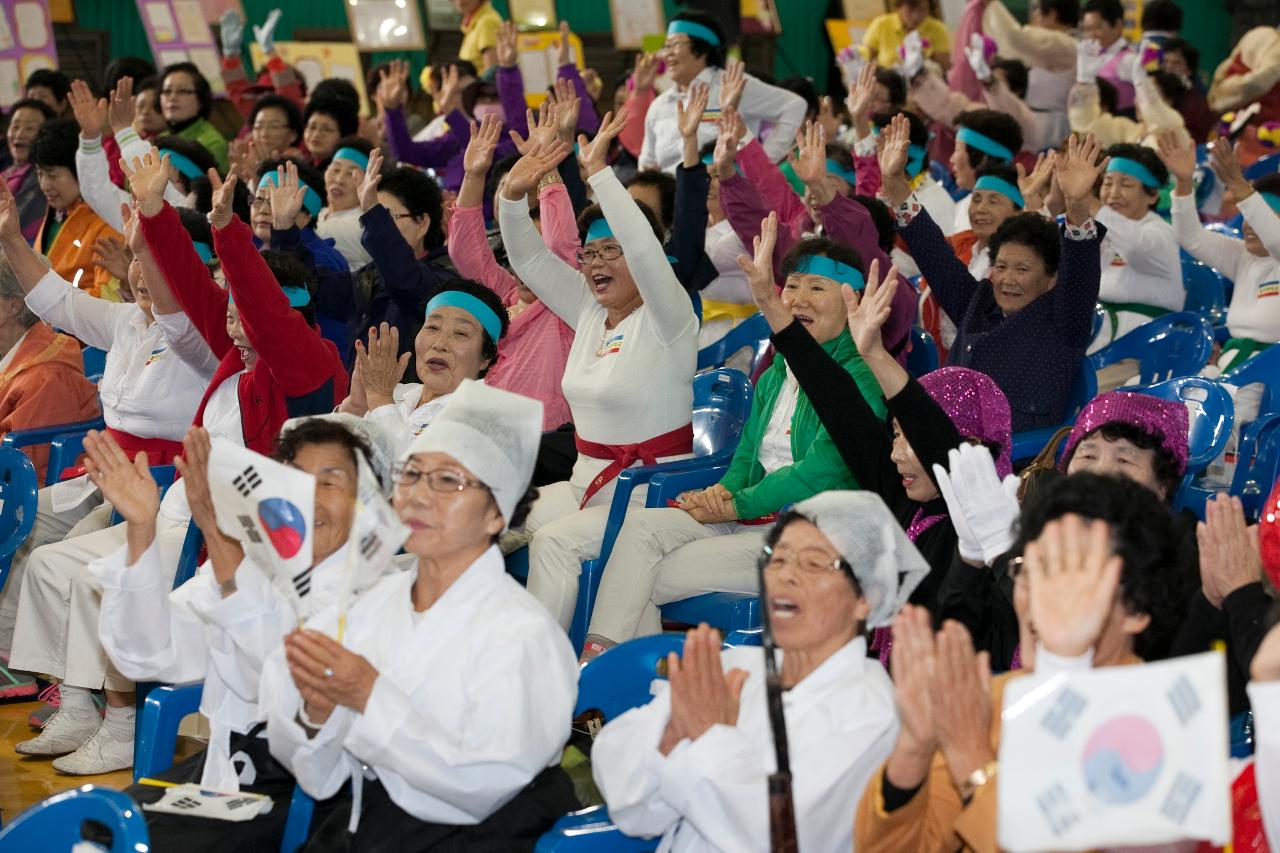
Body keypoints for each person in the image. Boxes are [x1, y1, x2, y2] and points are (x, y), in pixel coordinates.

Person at [262, 380, 581, 848]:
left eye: (449, 481)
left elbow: (483, 784)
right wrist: (315, 712)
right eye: (410, 474)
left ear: (498, 515)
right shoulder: (367, 605)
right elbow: (317, 776)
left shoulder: (522, 634)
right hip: (366, 823)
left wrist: (367, 695)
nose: (418, 496)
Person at [574, 230, 887, 658]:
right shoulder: (778, 369)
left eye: (817, 288)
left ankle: (615, 677)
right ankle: (615, 674)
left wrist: (738, 504)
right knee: (640, 531)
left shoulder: (862, 376)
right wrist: (722, 492)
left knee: (645, 574)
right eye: (792, 285)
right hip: (752, 512)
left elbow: (824, 470)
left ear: (852, 303)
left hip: (811, 534)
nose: (798, 299)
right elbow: (746, 454)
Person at [855, 473, 1192, 852]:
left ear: (1137, 609)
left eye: (1069, 577)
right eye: (1030, 571)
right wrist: (913, 750)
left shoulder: (1162, 728)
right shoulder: (995, 699)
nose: (1038, 599)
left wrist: (973, 762)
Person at [88, 419, 379, 850]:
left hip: (322, 797)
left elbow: (286, 676)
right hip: (229, 776)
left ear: (365, 501)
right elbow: (147, 655)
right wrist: (141, 531)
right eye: (297, 479)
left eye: (330, 482)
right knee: (96, 831)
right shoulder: (257, 565)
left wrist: (219, 542)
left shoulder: (379, 590)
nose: (311, 497)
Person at [593, 490, 925, 851]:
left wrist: (705, 736)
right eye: (778, 559)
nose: (786, 576)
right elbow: (626, 794)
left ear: (866, 598)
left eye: (813, 564)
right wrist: (672, 736)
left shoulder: (873, 712)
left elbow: (781, 834)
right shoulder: (736, 665)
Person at [0, 175, 216, 696]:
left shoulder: (204, 337)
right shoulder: (124, 321)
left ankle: (83, 692)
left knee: (64, 560)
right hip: (100, 476)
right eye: (138, 258)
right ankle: (14, 661)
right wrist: (9, 238)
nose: (142, 273)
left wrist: (152, 242)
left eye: (160, 259)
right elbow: (55, 301)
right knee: (17, 518)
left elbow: (176, 316)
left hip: (162, 492)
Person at [747, 230, 1012, 637]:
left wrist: (874, 355)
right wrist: (771, 305)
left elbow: (932, 433)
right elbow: (838, 403)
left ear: (971, 451)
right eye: (896, 437)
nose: (897, 455)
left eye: (912, 440)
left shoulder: (983, 533)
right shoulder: (899, 496)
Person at [497, 113, 699, 631]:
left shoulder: (669, 318)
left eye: (613, 250)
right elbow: (528, 257)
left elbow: (645, 248)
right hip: (581, 485)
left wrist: (600, 175)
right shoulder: (588, 309)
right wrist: (514, 197)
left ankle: (543, 680)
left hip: (647, 499)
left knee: (554, 545)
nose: (596, 262)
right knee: (486, 516)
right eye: (589, 253)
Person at [880, 118, 1106, 431]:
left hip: (1008, 458)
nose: (1007, 279)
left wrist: (1077, 205)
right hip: (940, 436)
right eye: (1000, 266)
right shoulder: (980, 303)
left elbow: (1080, 270)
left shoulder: (1064, 320)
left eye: (1022, 269)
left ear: (1052, 278)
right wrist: (895, 185)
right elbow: (934, 255)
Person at [449, 115, 575, 429]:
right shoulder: (504, 296)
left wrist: (546, 168)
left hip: (546, 437)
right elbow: (465, 253)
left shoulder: (566, 307)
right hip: (488, 426)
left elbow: (561, 241)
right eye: (524, 254)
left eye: (539, 255)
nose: (529, 266)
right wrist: (474, 175)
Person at [342, 276, 510, 460]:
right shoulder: (398, 393)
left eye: (461, 333)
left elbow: (416, 475)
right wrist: (355, 408)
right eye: (432, 327)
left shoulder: (485, 418)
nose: (439, 344)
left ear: (486, 358)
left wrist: (380, 399)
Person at [1161, 133, 1280, 370]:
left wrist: (1237, 184)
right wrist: (1184, 183)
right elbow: (1190, 237)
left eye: (1258, 215)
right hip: (1232, 370)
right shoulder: (1244, 257)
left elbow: (1275, 238)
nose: (1248, 224)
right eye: (1244, 216)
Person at [639, 14, 806, 173]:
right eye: (666, 46)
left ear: (702, 49)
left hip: (722, 195)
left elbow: (794, 106)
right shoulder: (660, 104)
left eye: (674, 45)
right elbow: (647, 163)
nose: (666, 54)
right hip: (672, 196)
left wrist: (761, 164)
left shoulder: (732, 83)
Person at [1089, 142, 1183, 348]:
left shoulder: (1161, 233)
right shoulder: (1104, 230)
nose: (1113, 193)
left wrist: (1082, 198)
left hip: (1146, 346)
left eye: (1126, 184)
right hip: (1098, 338)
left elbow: (1134, 247)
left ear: (1152, 195)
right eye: (1107, 183)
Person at [31, 118, 123, 299]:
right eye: (40, 173)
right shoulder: (57, 211)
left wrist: (54, 311)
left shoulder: (108, 222)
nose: (45, 185)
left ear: (80, 171)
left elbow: (108, 299)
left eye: (53, 175)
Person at [980, 0, 1079, 147]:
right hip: (1033, 120)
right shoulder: (1057, 45)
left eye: (1037, 10)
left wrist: (992, 5)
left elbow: (1016, 39)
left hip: (1053, 126)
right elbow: (1009, 46)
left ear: (1052, 14)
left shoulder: (1067, 45)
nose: (1034, 16)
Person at [158, 62, 229, 173]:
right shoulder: (161, 138)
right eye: (167, 91)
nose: (172, 97)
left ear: (201, 99)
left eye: (182, 91)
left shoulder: (212, 143)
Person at [317, 137, 374, 271]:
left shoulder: (362, 224)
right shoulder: (320, 214)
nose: (339, 180)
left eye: (351, 174)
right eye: (335, 170)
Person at [3, 98, 54, 244]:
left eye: (30, 128)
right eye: (15, 126)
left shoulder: (40, 176)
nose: (19, 134)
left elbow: (17, 217)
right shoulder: (6, 172)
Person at [1079, 0, 1139, 115]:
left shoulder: (1129, 60)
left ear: (1117, 25)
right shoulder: (1092, 57)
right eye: (1087, 29)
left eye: (1098, 27)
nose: (1092, 35)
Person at [862, 0, 953, 68]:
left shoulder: (937, 29)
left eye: (922, 10)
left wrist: (928, 53)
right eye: (910, 10)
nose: (916, 16)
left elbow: (945, 66)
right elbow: (866, 58)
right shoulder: (881, 24)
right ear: (898, 6)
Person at [302, 95, 359, 169]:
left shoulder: (345, 171)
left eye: (326, 129)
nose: (316, 134)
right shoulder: (301, 164)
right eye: (312, 127)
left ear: (343, 135)